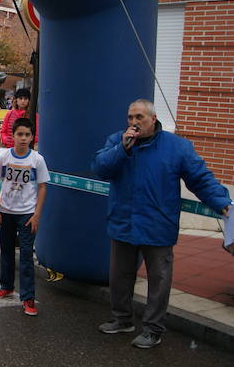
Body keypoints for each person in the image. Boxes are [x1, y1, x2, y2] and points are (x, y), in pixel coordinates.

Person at [92, 99, 231, 349]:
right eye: (130, 117)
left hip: (158, 225)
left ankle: (153, 329)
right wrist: (122, 150)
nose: (134, 123)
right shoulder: (117, 141)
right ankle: (122, 319)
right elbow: (100, 168)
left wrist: (222, 201)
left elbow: (199, 178)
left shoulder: (177, 147)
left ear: (153, 119)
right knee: (119, 277)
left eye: (140, 118)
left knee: (159, 281)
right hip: (124, 222)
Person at [0, 117, 49, 316]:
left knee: (26, 256)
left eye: (27, 135)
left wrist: (37, 214)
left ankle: (28, 298)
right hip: (5, 212)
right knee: (6, 251)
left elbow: (42, 187)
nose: (23, 138)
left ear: (33, 137)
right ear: (12, 136)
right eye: (20, 134)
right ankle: (6, 286)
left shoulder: (37, 160)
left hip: (27, 214)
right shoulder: (4, 158)